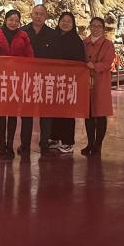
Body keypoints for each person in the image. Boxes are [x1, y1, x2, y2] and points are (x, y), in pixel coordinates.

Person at [0, 9, 33, 157]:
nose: (13, 23)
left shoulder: (23, 36)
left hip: (17, 79)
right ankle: (2, 144)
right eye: (11, 20)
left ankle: (10, 143)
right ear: (5, 20)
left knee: (13, 113)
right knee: (1, 113)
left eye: (16, 20)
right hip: (1, 78)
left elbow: (30, 56)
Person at [22, 4, 60, 156]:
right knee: (26, 113)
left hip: (46, 79)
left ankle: (44, 143)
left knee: (46, 113)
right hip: (27, 79)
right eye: (36, 13)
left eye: (41, 14)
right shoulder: (23, 32)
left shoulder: (53, 34)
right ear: (31, 15)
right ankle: (25, 144)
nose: (38, 16)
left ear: (46, 16)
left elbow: (57, 58)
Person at [50, 11, 83, 154]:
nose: (65, 23)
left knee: (68, 112)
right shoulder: (53, 37)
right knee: (55, 110)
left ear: (73, 24)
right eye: (63, 20)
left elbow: (80, 61)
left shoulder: (76, 41)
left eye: (69, 21)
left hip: (69, 81)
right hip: (53, 79)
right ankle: (55, 137)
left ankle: (68, 141)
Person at [83, 16, 115, 156]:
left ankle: (98, 144)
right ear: (89, 27)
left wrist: (95, 66)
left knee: (101, 114)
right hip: (86, 82)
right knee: (88, 114)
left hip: (101, 82)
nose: (95, 28)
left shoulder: (108, 45)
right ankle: (90, 143)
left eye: (98, 26)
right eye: (93, 25)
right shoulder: (84, 43)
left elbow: (108, 63)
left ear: (103, 29)